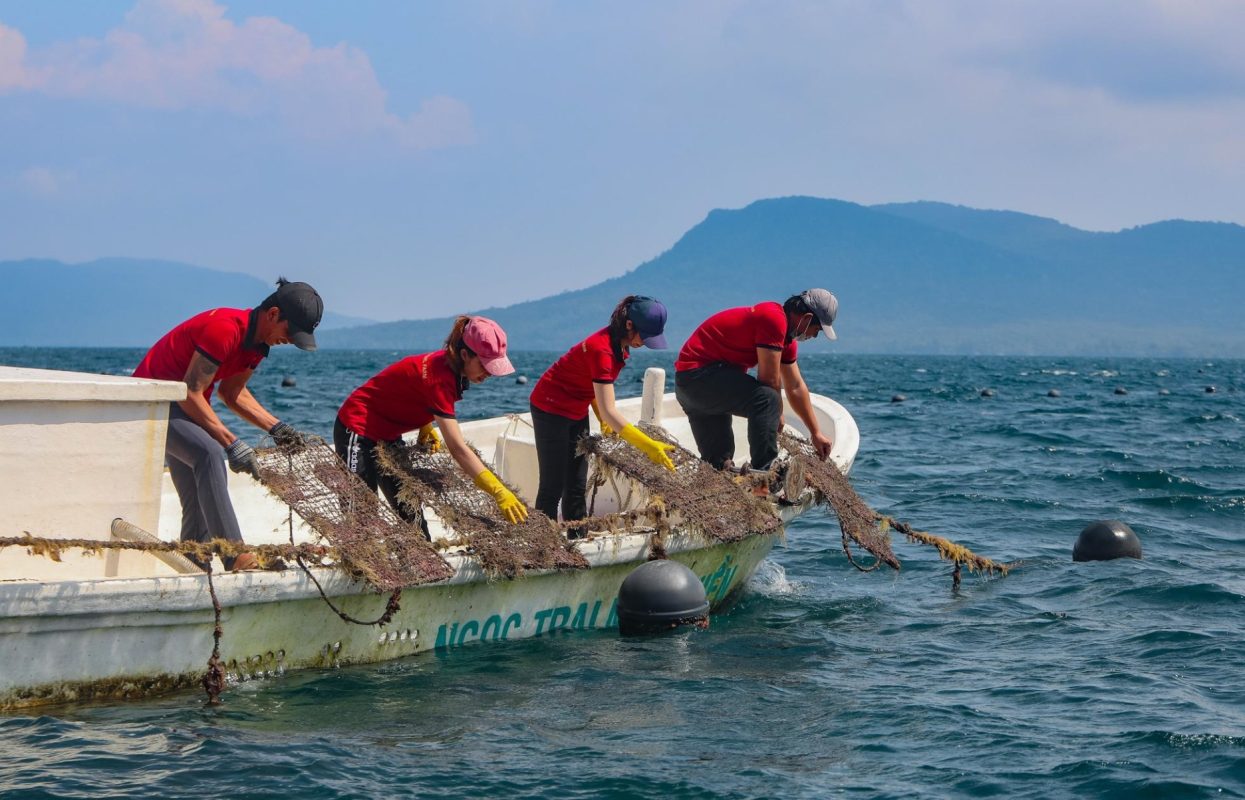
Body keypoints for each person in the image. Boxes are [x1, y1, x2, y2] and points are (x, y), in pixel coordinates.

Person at [133, 278, 323, 571]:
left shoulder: (257, 346)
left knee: (199, 491)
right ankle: (236, 556)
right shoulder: (225, 328)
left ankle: (195, 563)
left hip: (184, 407)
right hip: (150, 405)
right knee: (209, 454)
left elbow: (232, 393)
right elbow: (190, 391)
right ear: (272, 314)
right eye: (290, 331)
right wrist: (231, 442)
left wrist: (278, 428)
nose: (289, 340)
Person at [335, 315, 528, 528]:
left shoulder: (450, 365)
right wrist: (498, 491)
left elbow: (409, 387)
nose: (489, 372)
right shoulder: (440, 380)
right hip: (357, 428)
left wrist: (425, 424)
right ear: (465, 354)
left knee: (411, 513)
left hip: (388, 434)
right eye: (485, 364)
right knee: (361, 517)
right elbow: (458, 450)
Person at [529, 296, 675, 533]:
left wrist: (600, 417)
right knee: (552, 486)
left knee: (576, 485)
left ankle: (578, 538)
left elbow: (594, 388)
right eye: (645, 336)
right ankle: (542, 544)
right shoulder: (602, 349)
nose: (645, 343)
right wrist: (648, 445)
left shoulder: (620, 346)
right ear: (629, 325)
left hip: (576, 408)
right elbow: (610, 411)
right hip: (550, 409)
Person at [674, 288, 839, 472]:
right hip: (698, 378)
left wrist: (815, 433)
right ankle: (763, 475)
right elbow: (768, 379)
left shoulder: (787, 342)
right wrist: (776, 413)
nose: (814, 336)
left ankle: (730, 478)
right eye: (817, 330)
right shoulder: (773, 318)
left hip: (696, 388)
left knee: (718, 466)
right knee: (767, 399)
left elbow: (795, 386)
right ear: (806, 318)